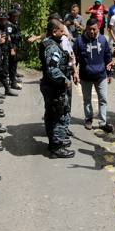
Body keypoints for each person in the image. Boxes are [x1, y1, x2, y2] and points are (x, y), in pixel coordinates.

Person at [40, 20, 76, 158]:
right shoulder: (52, 47)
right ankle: (57, 146)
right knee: (59, 115)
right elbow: (52, 69)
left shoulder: (49, 42)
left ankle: (56, 141)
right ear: (54, 31)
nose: (64, 33)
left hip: (51, 86)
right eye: (61, 31)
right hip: (55, 87)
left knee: (53, 114)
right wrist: (65, 81)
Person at [74, 17, 114, 132]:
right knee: (87, 99)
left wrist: (110, 73)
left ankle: (102, 122)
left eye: (94, 29)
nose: (92, 32)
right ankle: (88, 119)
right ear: (86, 28)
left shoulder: (102, 39)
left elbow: (108, 57)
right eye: (89, 29)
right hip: (85, 76)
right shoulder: (79, 41)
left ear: (98, 28)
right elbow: (74, 58)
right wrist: (74, 73)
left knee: (103, 99)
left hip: (100, 76)